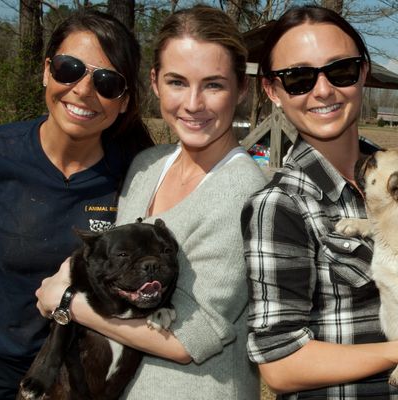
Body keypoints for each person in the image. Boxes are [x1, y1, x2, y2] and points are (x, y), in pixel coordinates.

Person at [35, 5, 268, 399]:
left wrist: (70, 302)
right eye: (178, 82)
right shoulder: (147, 166)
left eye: (213, 85)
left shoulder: (242, 193)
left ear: (242, 89)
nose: (193, 103)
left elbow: (189, 340)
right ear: (156, 82)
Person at [241, 4, 398, 399]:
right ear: (273, 91)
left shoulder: (390, 178)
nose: (323, 90)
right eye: (298, 79)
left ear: (363, 73)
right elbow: (279, 363)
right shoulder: (280, 205)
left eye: (340, 70)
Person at [0, 9, 153, 399]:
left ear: (123, 100)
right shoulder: (4, 154)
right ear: (47, 70)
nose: (83, 90)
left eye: (106, 81)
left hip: (83, 382)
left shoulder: (137, 178)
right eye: (70, 68)